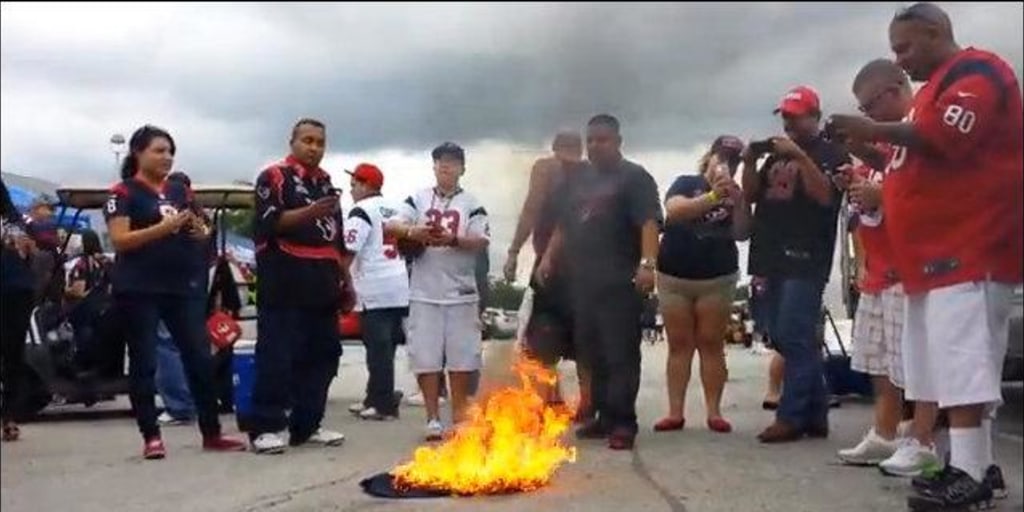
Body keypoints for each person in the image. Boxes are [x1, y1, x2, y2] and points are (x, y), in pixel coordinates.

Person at [830, 4, 1022, 508]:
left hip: (970, 248)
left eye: (905, 48)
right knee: (940, 366)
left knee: (964, 363)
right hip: (930, 261)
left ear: (936, 33)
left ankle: (973, 472)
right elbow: (907, 163)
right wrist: (869, 151)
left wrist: (873, 132)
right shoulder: (932, 94)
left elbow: (947, 136)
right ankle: (973, 465)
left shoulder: (977, 72)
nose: (900, 60)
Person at [105, 124, 245, 459]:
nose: (166, 157)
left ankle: (212, 432)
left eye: (170, 152)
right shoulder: (122, 193)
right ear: (138, 153)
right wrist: (162, 229)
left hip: (182, 287)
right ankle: (151, 435)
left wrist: (198, 230)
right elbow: (120, 240)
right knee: (145, 360)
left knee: (198, 357)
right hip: (139, 287)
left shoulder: (181, 192)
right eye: (159, 150)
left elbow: (200, 229)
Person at [835, 59, 942, 479]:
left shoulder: (920, 131)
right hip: (880, 268)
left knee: (916, 363)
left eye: (869, 108)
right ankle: (886, 432)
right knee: (879, 361)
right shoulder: (891, 146)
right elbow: (879, 188)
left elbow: (927, 194)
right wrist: (858, 166)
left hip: (910, 269)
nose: (868, 116)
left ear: (895, 91)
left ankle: (923, 438)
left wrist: (879, 193)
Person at [537, 114, 662, 450]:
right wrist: (549, 257)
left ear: (618, 141)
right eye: (590, 140)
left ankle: (623, 422)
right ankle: (603, 416)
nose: (594, 146)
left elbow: (649, 222)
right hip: (582, 281)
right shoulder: (577, 181)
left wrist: (648, 264)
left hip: (620, 280)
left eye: (602, 140)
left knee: (619, 352)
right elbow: (563, 224)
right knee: (591, 353)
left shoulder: (634, 178)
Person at [741, 86, 849, 443]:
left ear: (814, 116)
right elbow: (753, 194)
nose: (788, 122)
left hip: (806, 256)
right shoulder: (775, 155)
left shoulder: (831, 152)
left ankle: (791, 415)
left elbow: (825, 197)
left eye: (796, 115)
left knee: (793, 333)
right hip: (769, 253)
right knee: (780, 334)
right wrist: (749, 161)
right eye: (785, 115)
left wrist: (801, 158)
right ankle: (815, 413)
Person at [249, 118, 352, 454]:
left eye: (320, 142)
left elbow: (335, 240)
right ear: (292, 141)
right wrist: (308, 212)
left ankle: (308, 425)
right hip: (284, 276)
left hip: (323, 280)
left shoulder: (326, 183)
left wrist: (346, 281)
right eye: (307, 141)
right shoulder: (274, 176)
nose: (314, 148)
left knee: (324, 355)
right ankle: (267, 426)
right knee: (278, 354)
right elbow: (269, 224)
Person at [386, 142, 491, 441]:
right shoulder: (417, 198)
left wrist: (453, 240)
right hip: (424, 290)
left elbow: (481, 239)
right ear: (434, 166)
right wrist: (413, 232)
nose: (446, 167)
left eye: (452, 162)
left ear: (462, 168)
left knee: (462, 358)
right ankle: (432, 417)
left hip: (461, 290)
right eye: (441, 162)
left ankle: (459, 414)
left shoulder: (472, 203)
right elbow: (392, 224)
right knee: (426, 357)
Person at [653, 135, 752, 434]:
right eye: (721, 158)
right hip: (674, 275)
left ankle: (714, 412)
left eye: (733, 161)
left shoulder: (737, 192)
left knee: (711, 342)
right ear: (709, 158)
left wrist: (740, 203)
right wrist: (712, 197)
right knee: (679, 344)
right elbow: (675, 210)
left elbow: (742, 233)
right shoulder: (687, 182)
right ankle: (675, 412)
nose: (726, 165)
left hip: (716, 276)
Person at [503, 130, 592, 417]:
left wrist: (515, 250)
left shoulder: (546, 168)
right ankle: (588, 402)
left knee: (543, 333)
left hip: (552, 264)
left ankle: (550, 398)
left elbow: (532, 207)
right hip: (590, 265)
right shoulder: (593, 173)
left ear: (554, 147)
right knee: (585, 337)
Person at [343, 163, 409, 421]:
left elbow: (349, 249)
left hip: (374, 286)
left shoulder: (361, 211)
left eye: (355, 184)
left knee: (376, 348)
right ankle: (375, 395)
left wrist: (344, 282)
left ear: (365, 185)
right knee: (387, 346)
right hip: (399, 283)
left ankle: (383, 403)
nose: (351, 189)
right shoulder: (397, 208)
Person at [1, 176, 37, 442]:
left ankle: (9, 414)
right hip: (16, 286)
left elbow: (39, 239)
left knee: (12, 353)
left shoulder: (14, 223)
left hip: (13, 288)